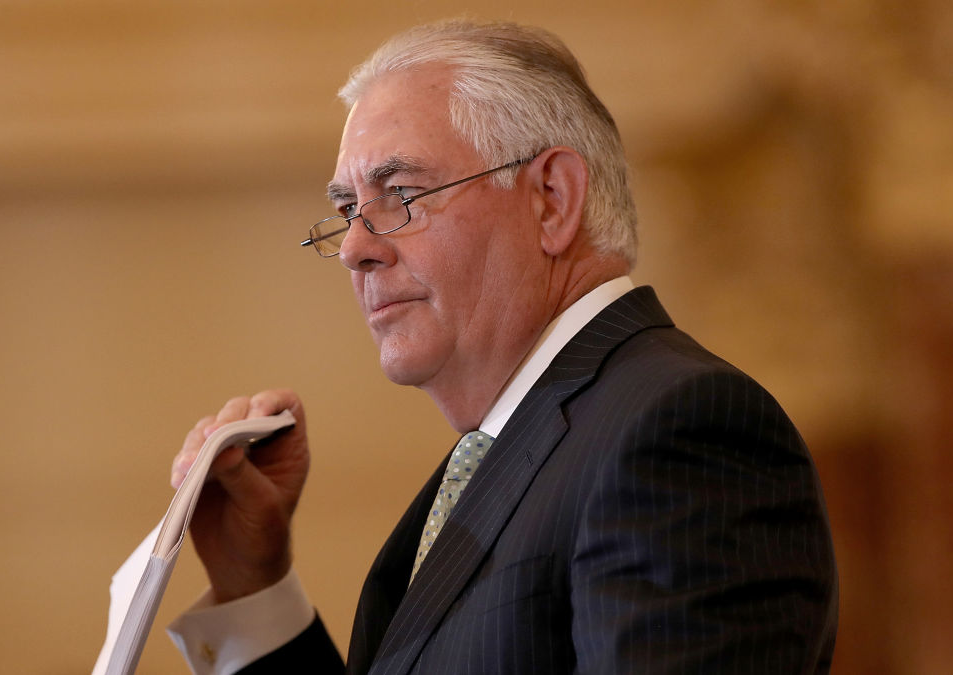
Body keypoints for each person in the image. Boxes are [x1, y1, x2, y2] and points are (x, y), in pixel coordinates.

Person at [167, 19, 838, 675]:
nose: (354, 249)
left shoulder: (680, 434)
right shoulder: (521, 445)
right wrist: (255, 586)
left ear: (551, 199)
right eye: (347, 210)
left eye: (400, 193)